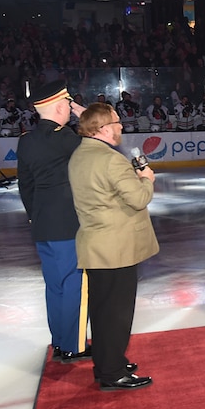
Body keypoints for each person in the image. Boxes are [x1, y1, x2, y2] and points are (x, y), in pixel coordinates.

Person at [68, 103, 159, 390]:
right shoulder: (111, 160)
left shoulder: (80, 154)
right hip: (116, 248)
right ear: (103, 128)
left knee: (103, 311)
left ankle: (108, 362)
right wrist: (146, 180)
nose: (121, 126)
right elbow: (138, 199)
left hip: (96, 246)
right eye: (117, 122)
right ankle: (113, 372)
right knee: (116, 314)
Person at [17, 80, 90, 362]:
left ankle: (59, 341)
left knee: (55, 285)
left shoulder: (26, 141)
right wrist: (84, 115)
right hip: (68, 225)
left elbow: (26, 186)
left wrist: (34, 217)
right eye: (68, 106)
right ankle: (74, 345)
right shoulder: (67, 138)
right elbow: (103, 136)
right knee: (74, 283)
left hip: (43, 225)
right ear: (61, 107)